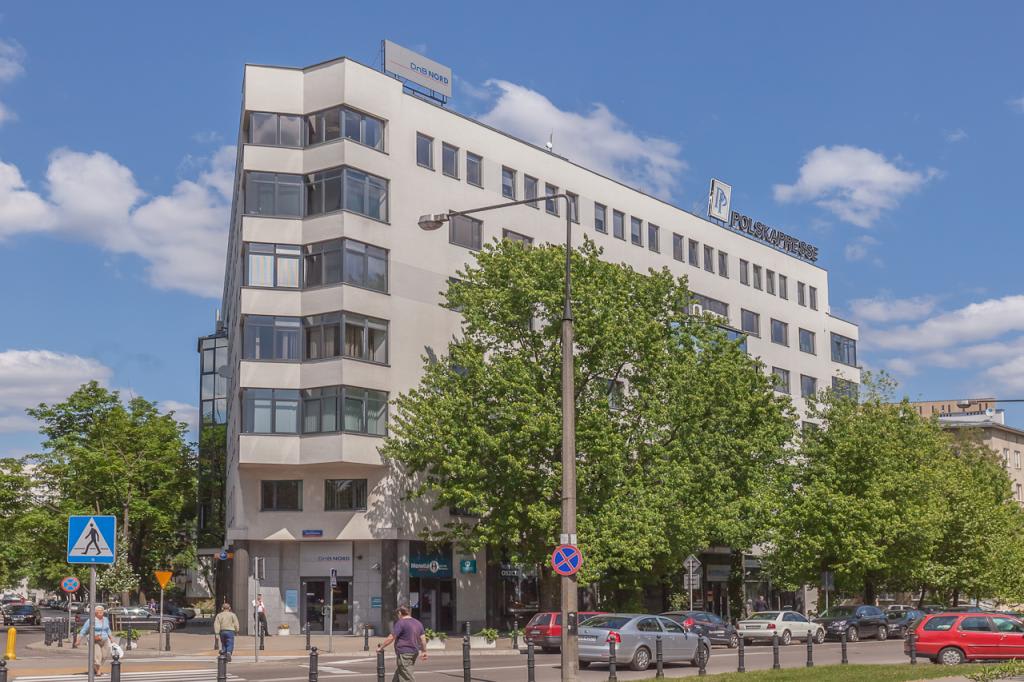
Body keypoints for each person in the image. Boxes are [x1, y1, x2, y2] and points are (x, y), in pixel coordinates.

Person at [376, 606, 427, 682]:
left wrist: (381, 647)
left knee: (407, 677)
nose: (398, 616)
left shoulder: (401, 622)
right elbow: (423, 639)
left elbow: (392, 637)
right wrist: (424, 651)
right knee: (401, 672)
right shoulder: (418, 623)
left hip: (404, 653)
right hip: (414, 652)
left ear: (400, 613)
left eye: (398, 614)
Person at [78, 605, 116, 677]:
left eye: (102, 611)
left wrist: (111, 638)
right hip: (94, 640)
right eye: (99, 611)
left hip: (104, 639)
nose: (101, 612)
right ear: (95, 612)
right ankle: (98, 671)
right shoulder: (91, 620)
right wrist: (78, 640)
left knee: (104, 656)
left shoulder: (105, 619)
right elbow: (83, 630)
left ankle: (95, 667)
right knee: (97, 656)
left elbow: (108, 629)